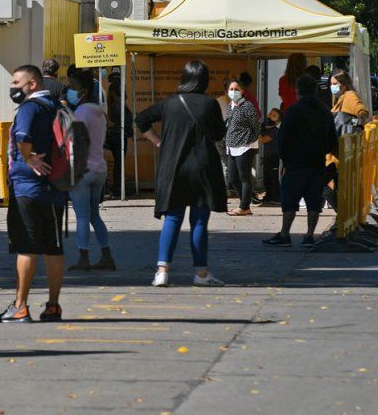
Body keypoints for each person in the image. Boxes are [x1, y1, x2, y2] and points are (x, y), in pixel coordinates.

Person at [135, 60, 227, 288]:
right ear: (204, 80)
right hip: (203, 169)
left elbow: (141, 119)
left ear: (184, 78)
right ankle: (201, 273)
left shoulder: (170, 103)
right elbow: (217, 135)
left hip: (173, 168)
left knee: (173, 218)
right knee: (199, 222)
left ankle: (162, 271)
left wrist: (158, 142)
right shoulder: (210, 104)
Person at [0, 65, 66, 323]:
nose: (13, 87)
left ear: (33, 84)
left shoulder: (29, 108)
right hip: (55, 188)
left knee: (26, 247)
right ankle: (53, 306)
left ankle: (21, 306)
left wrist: (28, 158)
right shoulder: (55, 107)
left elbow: (23, 135)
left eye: (17, 82)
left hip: (28, 188)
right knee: (53, 249)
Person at [263, 74, 338, 246]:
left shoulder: (293, 110)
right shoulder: (324, 111)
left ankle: (284, 234)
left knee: (290, 200)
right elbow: (331, 139)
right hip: (317, 162)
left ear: (298, 91)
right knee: (313, 201)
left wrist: (285, 159)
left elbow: (283, 139)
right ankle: (309, 235)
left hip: (295, 163)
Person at [66, 70, 115, 271]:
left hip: (83, 170)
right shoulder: (99, 113)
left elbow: (73, 143)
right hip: (99, 169)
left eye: (73, 87)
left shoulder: (80, 113)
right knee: (94, 214)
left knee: (83, 216)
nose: (70, 91)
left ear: (83, 91)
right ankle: (106, 255)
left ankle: (83, 257)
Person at [323, 68, 369, 209]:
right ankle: (342, 215)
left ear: (344, 84)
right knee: (334, 186)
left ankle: (342, 215)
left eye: (335, 83)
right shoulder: (340, 99)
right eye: (331, 83)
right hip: (337, 151)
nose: (333, 86)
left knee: (323, 183)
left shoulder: (349, 96)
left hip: (341, 152)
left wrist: (359, 126)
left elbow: (362, 112)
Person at [225, 78, 261, 216]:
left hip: (245, 146)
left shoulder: (247, 106)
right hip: (232, 146)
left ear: (242, 91)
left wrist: (250, 139)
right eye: (231, 89)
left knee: (244, 177)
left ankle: (244, 206)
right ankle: (244, 203)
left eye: (236, 89)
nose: (234, 92)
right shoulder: (230, 106)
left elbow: (256, 126)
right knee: (232, 178)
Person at [104, 77, 133, 197]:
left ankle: (112, 187)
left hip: (110, 136)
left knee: (115, 164)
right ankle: (118, 189)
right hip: (119, 136)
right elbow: (127, 126)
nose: (125, 96)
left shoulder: (109, 107)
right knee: (119, 164)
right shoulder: (120, 108)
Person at [258, 108, 282, 205]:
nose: (270, 116)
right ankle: (268, 196)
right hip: (266, 156)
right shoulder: (264, 127)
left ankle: (276, 197)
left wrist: (256, 132)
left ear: (278, 121)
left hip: (273, 156)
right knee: (266, 177)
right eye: (270, 113)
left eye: (274, 115)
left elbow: (263, 139)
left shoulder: (275, 131)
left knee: (273, 178)